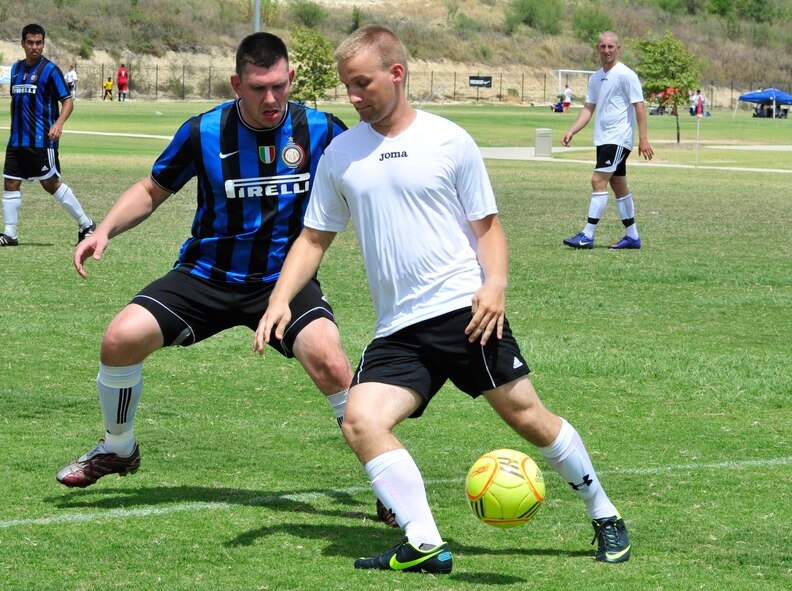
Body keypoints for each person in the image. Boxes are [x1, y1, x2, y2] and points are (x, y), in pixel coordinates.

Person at [255, 25, 632, 573]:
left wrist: (496, 285)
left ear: (397, 74)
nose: (353, 96)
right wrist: (279, 301)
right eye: (347, 86)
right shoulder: (340, 155)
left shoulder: (449, 140)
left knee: (529, 418)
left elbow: (488, 229)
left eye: (363, 83)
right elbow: (314, 238)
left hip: (464, 312)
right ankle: (424, 541)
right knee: (360, 419)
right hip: (396, 329)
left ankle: (604, 514)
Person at [56, 33, 358, 499]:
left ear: (291, 78)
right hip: (206, 277)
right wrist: (104, 230)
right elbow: (153, 189)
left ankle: (389, 486)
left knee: (333, 365)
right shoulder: (204, 131)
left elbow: (374, 173)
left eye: (279, 85)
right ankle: (119, 448)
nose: (271, 98)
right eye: (258, 88)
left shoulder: (323, 130)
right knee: (119, 339)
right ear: (237, 83)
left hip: (284, 283)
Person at [0, 23, 95, 247]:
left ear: (43, 44)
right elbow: (15, 101)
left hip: (42, 140)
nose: (35, 47)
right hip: (16, 141)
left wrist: (59, 123)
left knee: (50, 183)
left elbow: (68, 100)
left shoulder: (50, 70)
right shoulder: (15, 70)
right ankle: (10, 234)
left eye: (39, 43)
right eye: (30, 43)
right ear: (23, 43)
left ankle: (86, 224)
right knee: (11, 182)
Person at [561, 31, 653, 250]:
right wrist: (572, 130)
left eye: (611, 47)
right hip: (603, 139)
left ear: (618, 48)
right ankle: (632, 237)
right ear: (597, 48)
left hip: (618, 137)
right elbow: (588, 108)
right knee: (618, 184)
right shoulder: (595, 78)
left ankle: (587, 235)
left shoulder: (625, 75)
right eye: (603, 47)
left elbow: (639, 105)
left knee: (597, 180)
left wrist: (644, 139)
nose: (607, 50)